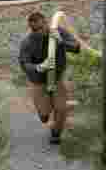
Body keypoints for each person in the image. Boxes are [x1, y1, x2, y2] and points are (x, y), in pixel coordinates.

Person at [18, 11, 81, 144]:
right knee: (44, 116)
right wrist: (38, 67)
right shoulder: (27, 42)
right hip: (39, 82)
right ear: (31, 29)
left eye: (41, 28)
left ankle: (56, 133)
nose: (39, 32)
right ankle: (47, 114)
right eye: (35, 30)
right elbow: (24, 63)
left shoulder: (58, 32)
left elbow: (76, 47)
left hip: (57, 79)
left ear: (46, 23)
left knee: (61, 108)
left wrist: (61, 42)